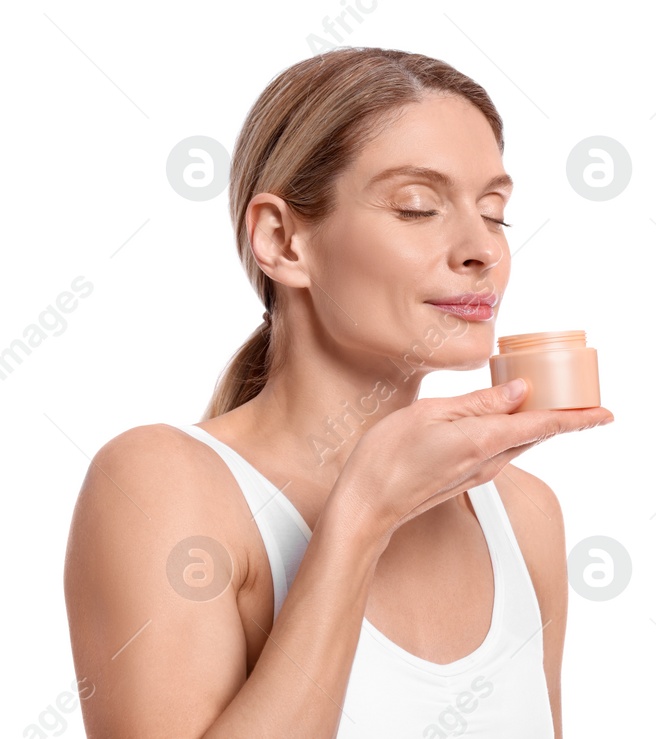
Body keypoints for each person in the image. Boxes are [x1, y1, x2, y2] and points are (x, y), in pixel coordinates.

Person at [63, 47, 612, 737]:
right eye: (418, 207)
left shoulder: (525, 516)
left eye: (495, 211)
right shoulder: (161, 485)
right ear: (283, 239)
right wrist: (360, 518)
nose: (483, 249)